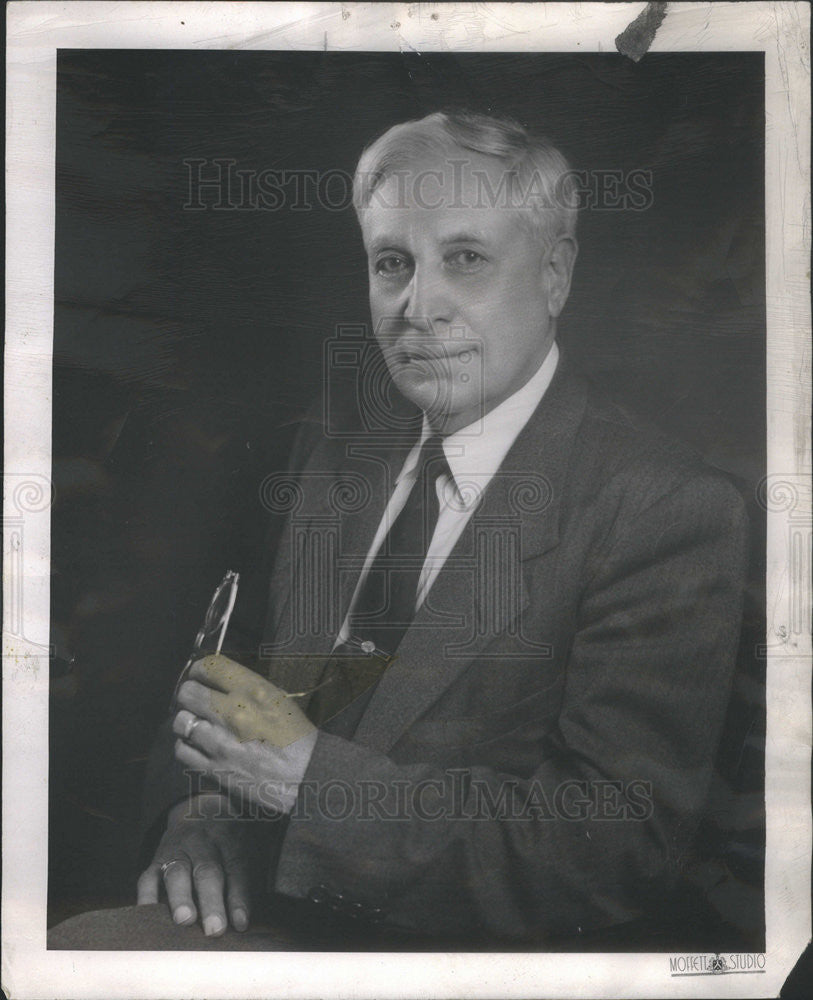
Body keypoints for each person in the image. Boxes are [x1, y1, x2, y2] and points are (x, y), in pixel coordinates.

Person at [49, 110, 748, 950]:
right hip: (271, 902)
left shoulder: (665, 508)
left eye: (465, 259)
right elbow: (234, 662)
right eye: (392, 264)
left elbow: (611, 851)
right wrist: (201, 809)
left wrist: (313, 784)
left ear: (555, 275)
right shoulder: (340, 449)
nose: (418, 307)